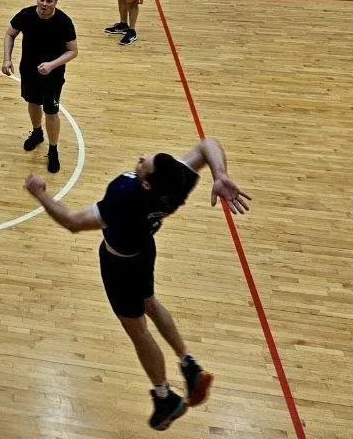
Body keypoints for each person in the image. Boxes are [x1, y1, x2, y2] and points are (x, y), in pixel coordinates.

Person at [24, 137, 250, 431]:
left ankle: (165, 398)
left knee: (139, 331)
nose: (142, 157)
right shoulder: (176, 183)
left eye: (145, 163)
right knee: (151, 304)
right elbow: (208, 144)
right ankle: (189, 365)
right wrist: (220, 175)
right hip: (144, 251)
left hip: (119, 266)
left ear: (145, 183)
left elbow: (73, 222)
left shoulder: (126, 195)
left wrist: (40, 193)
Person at [3, 0, 79, 174]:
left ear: (55, 2)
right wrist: (7, 59)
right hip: (29, 71)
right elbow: (10, 34)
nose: (44, 4)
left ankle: (53, 150)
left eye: (49, 1)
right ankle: (37, 133)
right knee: (33, 102)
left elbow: (73, 51)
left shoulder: (64, 22)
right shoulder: (26, 15)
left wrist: (52, 65)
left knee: (51, 112)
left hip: (53, 77)